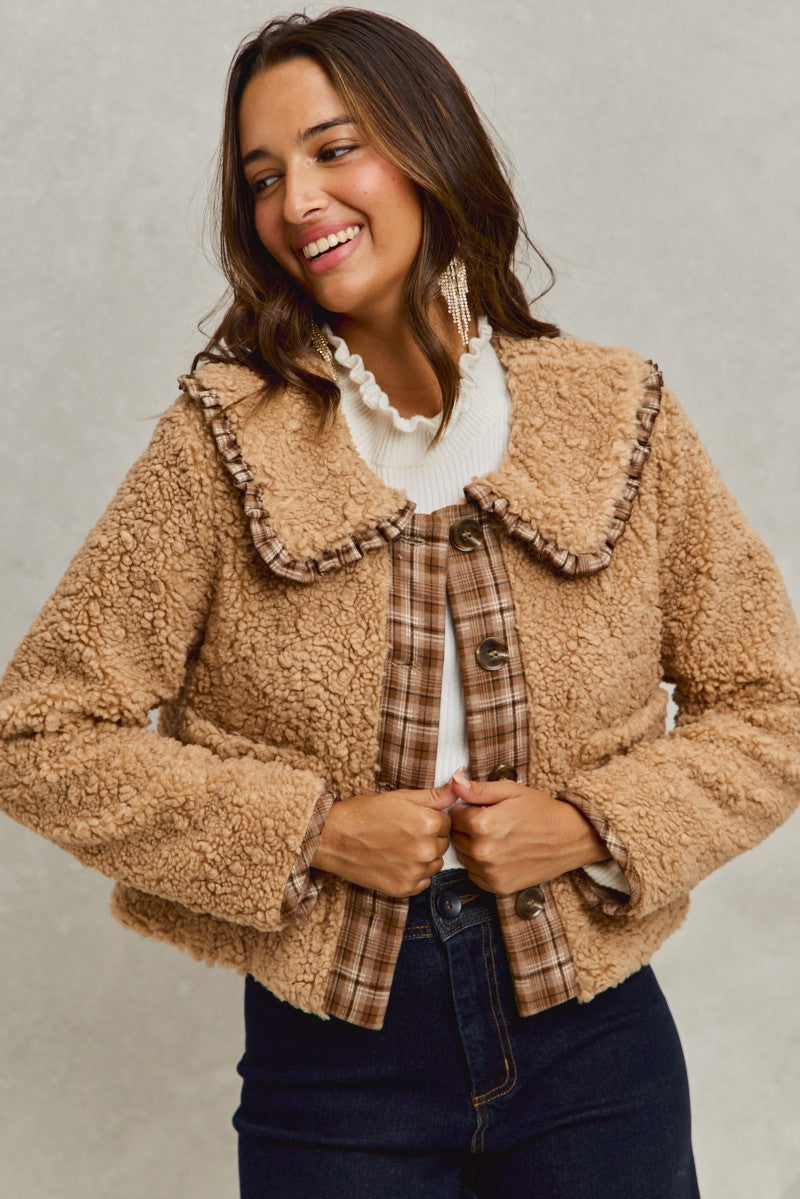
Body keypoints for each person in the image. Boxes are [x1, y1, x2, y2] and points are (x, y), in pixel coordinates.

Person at [0, 8, 798, 1197]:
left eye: (334, 149)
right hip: (331, 1065)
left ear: (428, 149)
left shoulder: (614, 413)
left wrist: (591, 823)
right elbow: (37, 732)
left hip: (596, 1047)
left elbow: (772, 703)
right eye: (261, 177)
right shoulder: (221, 440)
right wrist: (311, 830)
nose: (296, 202)